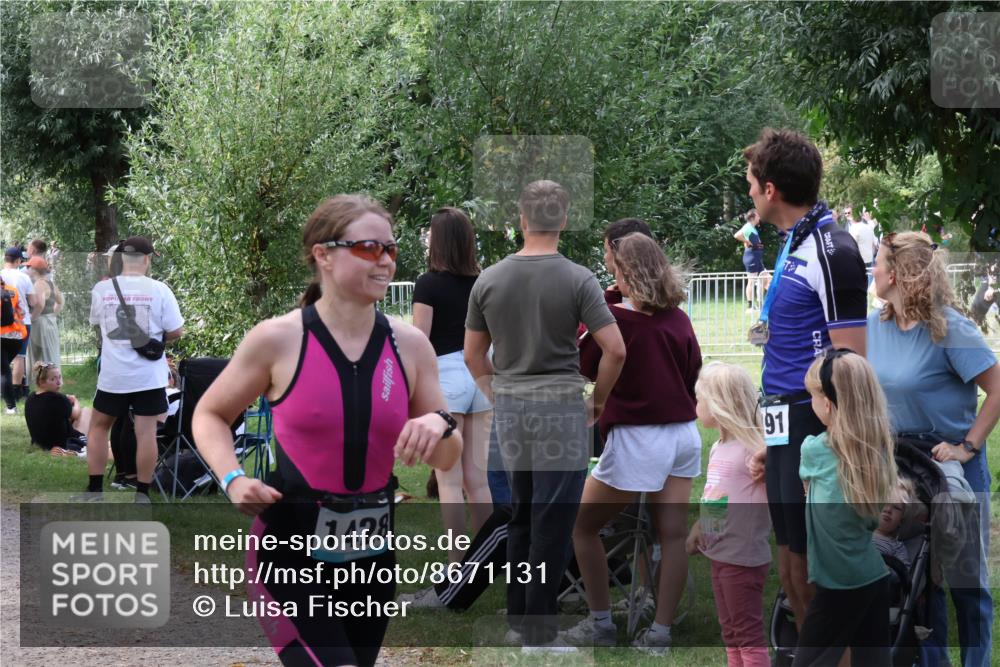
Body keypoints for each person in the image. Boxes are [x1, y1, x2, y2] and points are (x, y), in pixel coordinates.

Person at [192, 194, 462, 667]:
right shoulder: (277, 339)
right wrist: (232, 477)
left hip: (372, 558)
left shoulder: (411, 345)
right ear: (323, 255)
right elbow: (210, 414)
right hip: (289, 551)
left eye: (391, 249)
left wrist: (437, 424)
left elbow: (448, 456)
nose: (384, 260)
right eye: (368, 248)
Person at [464, 180, 626, 653]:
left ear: (521, 219)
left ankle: (521, 621)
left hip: (511, 412)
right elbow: (615, 349)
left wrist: (497, 392)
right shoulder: (578, 278)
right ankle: (539, 633)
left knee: (521, 516)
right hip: (560, 411)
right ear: (564, 218)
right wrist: (596, 402)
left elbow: (474, 355)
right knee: (553, 523)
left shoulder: (489, 279)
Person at [742, 128, 868, 635]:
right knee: (789, 558)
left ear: (770, 189)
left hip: (813, 419)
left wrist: (840, 443)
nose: (749, 192)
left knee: (814, 561)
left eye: (751, 183)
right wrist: (772, 443)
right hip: (781, 418)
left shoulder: (833, 248)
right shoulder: (796, 240)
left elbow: (853, 365)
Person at [566, 233, 701, 654]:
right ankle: (660, 633)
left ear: (626, 274)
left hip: (639, 436)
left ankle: (601, 622)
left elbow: (586, 361)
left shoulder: (615, 320)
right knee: (672, 535)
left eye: (616, 270)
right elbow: (693, 367)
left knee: (583, 526)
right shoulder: (679, 318)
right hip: (683, 433)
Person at [867, 231, 997, 667]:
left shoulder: (948, 327)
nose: (874, 268)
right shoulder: (875, 326)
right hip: (902, 466)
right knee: (923, 582)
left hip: (950, 468)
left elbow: (997, 389)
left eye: (880, 260)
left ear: (901, 274)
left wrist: (968, 445)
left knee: (966, 582)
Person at [793, 349, 898, 666]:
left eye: (812, 395)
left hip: (839, 586)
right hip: (872, 577)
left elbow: (807, 493)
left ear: (827, 402)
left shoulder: (814, 450)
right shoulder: (878, 453)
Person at [412, 207, 492, 562]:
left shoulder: (427, 284)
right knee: (477, 478)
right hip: (480, 373)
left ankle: (456, 563)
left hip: (446, 376)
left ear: (438, 241)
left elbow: (419, 341)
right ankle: (490, 558)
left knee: (448, 477)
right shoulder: (484, 282)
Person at [84, 236, 184, 503]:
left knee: (98, 428)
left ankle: (94, 490)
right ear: (147, 260)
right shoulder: (160, 289)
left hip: (113, 375)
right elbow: (176, 330)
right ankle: (142, 493)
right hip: (148, 375)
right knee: (146, 432)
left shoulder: (102, 289)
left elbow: (97, 322)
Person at [686, 362, 771, 667]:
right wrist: (700, 526)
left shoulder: (754, 449)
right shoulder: (720, 447)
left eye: (700, 399)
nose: (696, 405)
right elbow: (717, 496)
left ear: (719, 404)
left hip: (743, 557)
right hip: (721, 553)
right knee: (730, 630)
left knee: (746, 632)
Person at [24, 362, 91, 455]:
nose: (59, 382)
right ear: (41, 382)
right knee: (86, 411)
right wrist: (75, 401)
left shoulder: (30, 398)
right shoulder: (57, 398)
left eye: (59, 377)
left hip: (41, 444)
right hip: (61, 445)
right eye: (53, 379)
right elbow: (76, 414)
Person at [2, 247, 35, 402]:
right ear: (17, 261)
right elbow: (32, 301)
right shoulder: (24, 277)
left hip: (2, 323)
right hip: (21, 323)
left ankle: (4, 390)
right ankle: (15, 391)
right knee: (19, 357)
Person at [25, 256, 62, 367]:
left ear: (34, 269)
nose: (26, 269)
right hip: (50, 321)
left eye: (28, 267)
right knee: (50, 354)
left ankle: (41, 381)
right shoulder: (50, 283)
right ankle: (53, 380)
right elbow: (60, 302)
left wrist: (32, 319)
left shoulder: (39, 284)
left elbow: (40, 305)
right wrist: (52, 315)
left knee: (39, 357)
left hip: (40, 324)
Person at [1, 276, 28, 414]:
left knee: (4, 372)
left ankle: (11, 407)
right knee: (4, 370)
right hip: (16, 337)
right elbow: (22, 312)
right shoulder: (12, 291)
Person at [872, 480, 912, 569]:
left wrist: (887, 570)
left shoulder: (897, 546)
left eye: (896, 507)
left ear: (902, 519)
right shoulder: (860, 530)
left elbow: (904, 573)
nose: (888, 510)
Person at [734, 209, 769, 311]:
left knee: (765, 279)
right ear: (753, 217)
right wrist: (746, 241)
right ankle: (750, 306)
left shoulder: (751, 227)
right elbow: (736, 235)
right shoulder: (748, 226)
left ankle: (760, 304)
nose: (760, 217)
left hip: (756, 257)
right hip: (751, 257)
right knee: (751, 281)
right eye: (758, 215)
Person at [847, 213, 877, 287]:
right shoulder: (868, 227)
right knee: (868, 281)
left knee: (859, 283)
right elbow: (874, 243)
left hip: (859, 259)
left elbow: (851, 245)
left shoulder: (854, 228)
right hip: (869, 257)